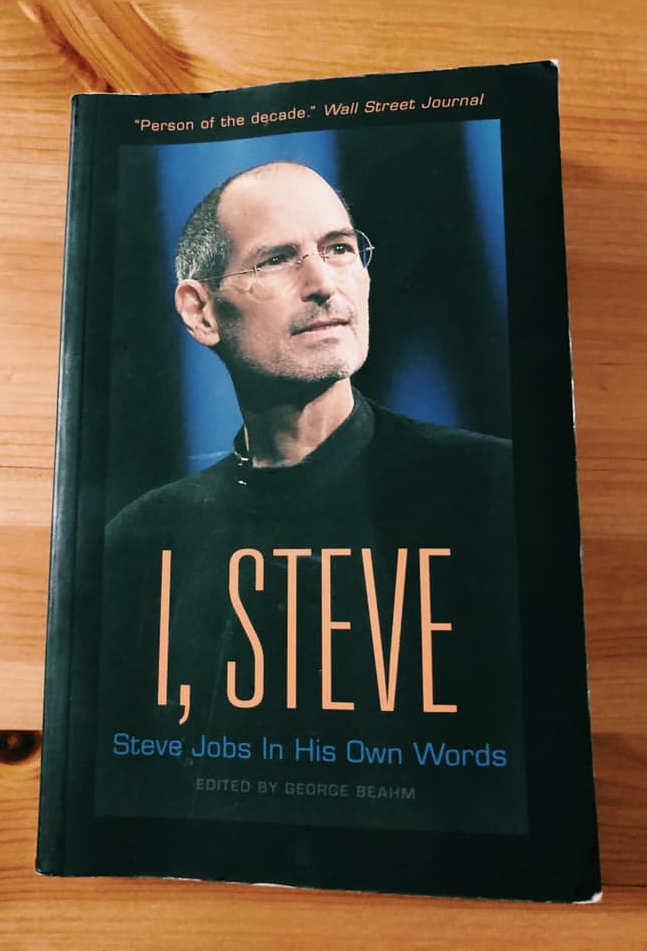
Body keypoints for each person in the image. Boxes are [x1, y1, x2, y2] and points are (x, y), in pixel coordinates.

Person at [96, 161, 526, 834]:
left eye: (340, 248)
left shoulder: (498, 489)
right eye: (276, 259)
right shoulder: (143, 541)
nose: (324, 284)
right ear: (201, 311)